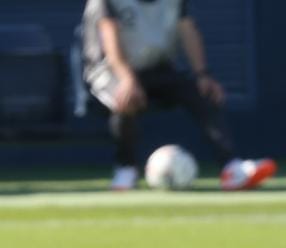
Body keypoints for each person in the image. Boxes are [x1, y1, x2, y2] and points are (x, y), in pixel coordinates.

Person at [81, 0, 275, 192]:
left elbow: (187, 29)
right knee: (125, 99)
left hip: (157, 67)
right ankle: (126, 168)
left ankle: (231, 167)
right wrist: (127, 79)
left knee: (204, 94)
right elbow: (109, 38)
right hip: (109, 69)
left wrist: (202, 74)